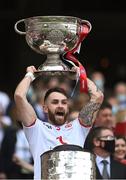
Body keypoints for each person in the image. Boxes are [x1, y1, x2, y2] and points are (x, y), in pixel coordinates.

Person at [14, 65, 103, 179]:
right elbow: (19, 96)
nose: (60, 106)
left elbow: (98, 96)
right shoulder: (37, 128)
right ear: (45, 108)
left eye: (64, 102)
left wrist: (80, 76)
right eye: (55, 102)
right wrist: (30, 75)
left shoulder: (78, 127)